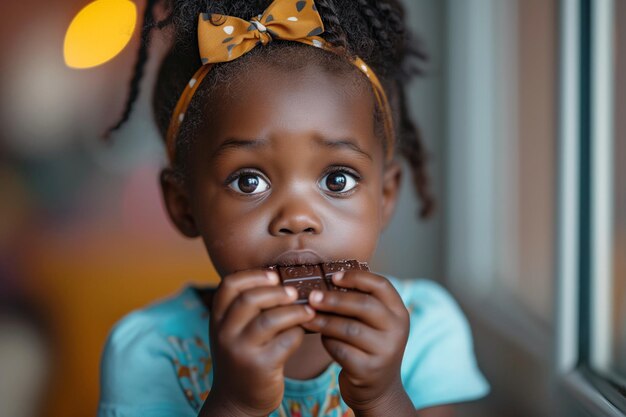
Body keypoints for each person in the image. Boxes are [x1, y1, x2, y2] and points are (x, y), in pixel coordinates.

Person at [97, 0, 490, 416]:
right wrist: (235, 403)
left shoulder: (428, 332)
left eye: (337, 180)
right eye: (249, 182)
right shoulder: (150, 352)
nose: (297, 218)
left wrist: (382, 397)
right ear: (184, 206)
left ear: (385, 197)